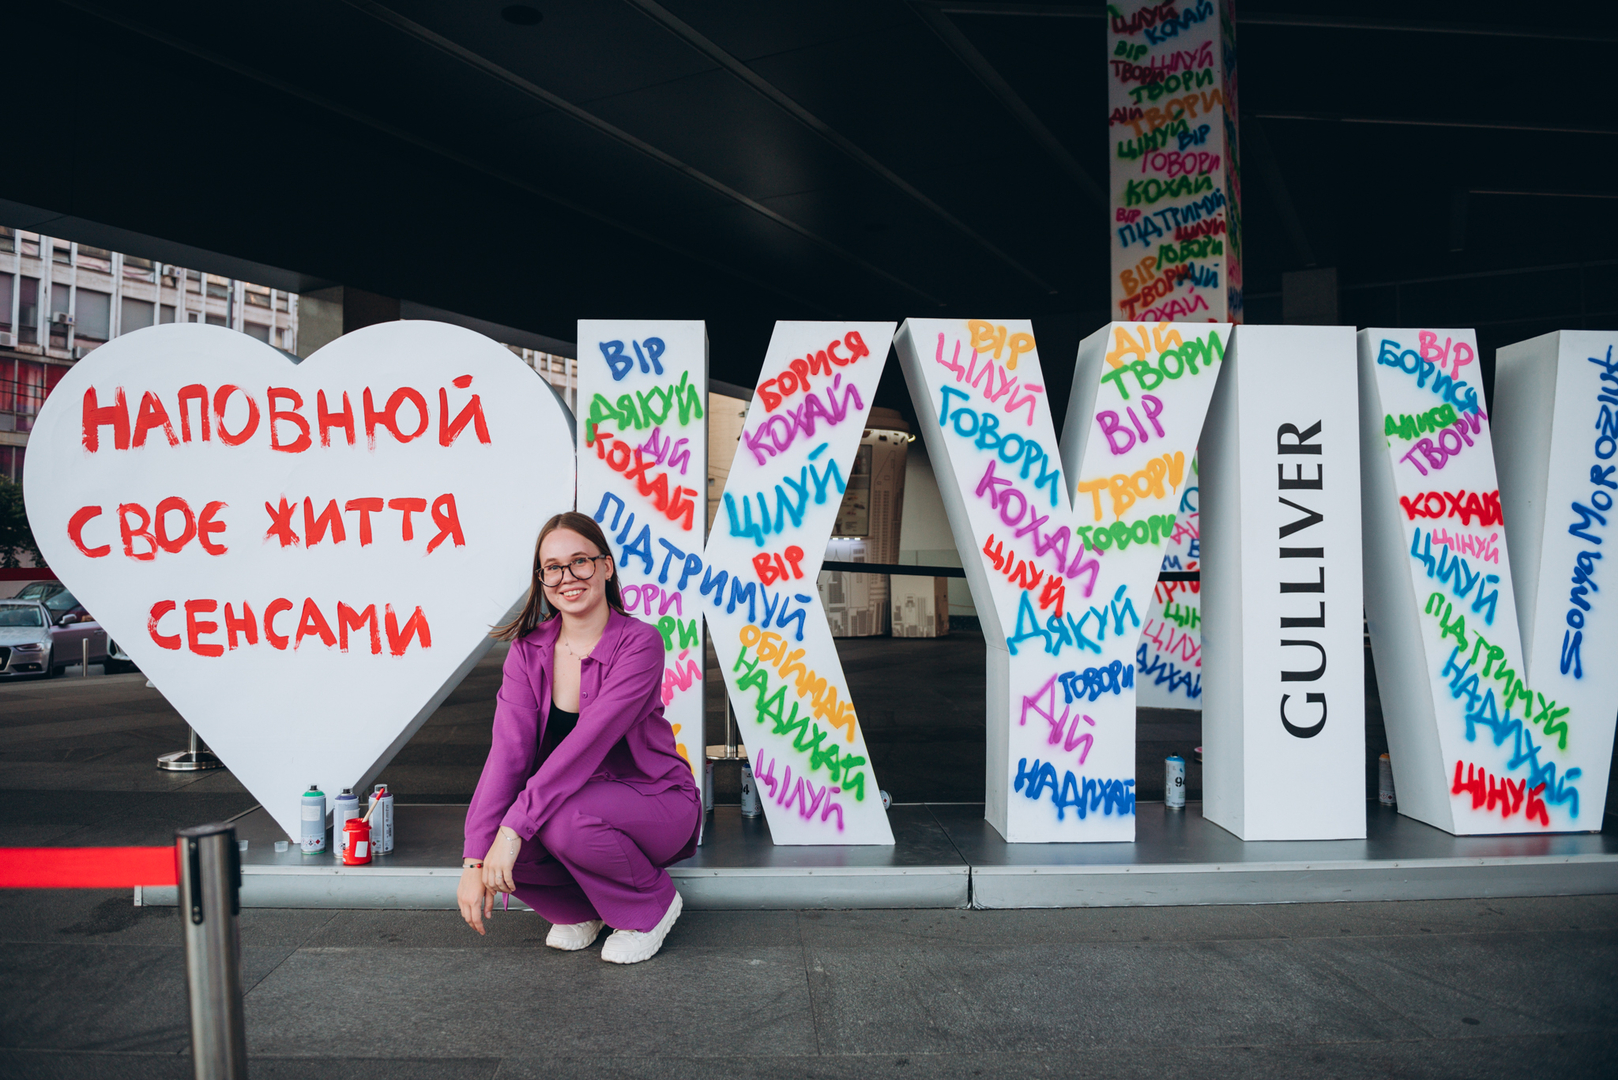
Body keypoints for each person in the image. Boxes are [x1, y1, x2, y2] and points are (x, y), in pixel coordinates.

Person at [458, 511, 700, 963]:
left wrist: (513, 829)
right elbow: (507, 756)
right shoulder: (528, 650)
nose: (567, 577)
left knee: (550, 819)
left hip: (656, 801)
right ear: (541, 578)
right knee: (498, 829)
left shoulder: (640, 643)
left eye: (580, 561)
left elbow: (586, 744)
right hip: (570, 803)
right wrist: (474, 858)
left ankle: (651, 905)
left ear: (606, 567)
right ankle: (583, 910)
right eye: (552, 567)